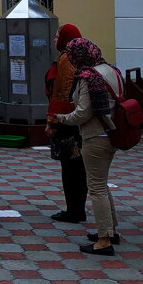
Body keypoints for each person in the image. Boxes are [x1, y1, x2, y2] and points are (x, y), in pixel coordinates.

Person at [51, 38, 122, 255]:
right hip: (112, 133)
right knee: (102, 183)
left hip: (94, 136)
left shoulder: (87, 77)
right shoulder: (111, 70)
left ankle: (103, 241)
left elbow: (82, 113)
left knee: (96, 187)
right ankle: (111, 231)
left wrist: (59, 119)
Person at [44, 23, 87, 223]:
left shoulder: (65, 58)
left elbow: (61, 92)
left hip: (67, 121)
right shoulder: (82, 56)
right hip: (81, 119)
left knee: (70, 167)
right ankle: (78, 207)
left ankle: (74, 210)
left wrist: (52, 121)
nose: (54, 40)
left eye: (57, 36)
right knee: (79, 167)